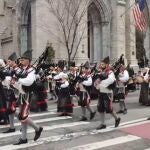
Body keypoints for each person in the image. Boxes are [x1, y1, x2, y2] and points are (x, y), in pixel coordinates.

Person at [11, 50, 43, 145]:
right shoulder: (23, 69)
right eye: (21, 59)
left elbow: (29, 81)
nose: (21, 60)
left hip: (28, 96)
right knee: (21, 117)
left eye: (23, 59)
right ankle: (23, 138)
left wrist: (18, 79)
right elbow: (19, 83)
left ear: (28, 60)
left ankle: (37, 128)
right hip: (21, 94)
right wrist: (14, 83)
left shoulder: (31, 70)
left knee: (23, 117)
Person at [94, 56, 121, 129]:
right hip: (101, 92)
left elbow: (111, 80)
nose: (101, 66)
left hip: (107, 93)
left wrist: (101, 83)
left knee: (109, 108)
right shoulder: (101, 72)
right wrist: (96, 84)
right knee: (100, 108)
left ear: (106, 65)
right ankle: (102, 124)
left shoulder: (110, 72)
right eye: (101, 64)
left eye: (102, 64)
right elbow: (97, 80)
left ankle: (117, 118)